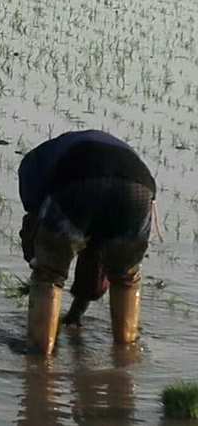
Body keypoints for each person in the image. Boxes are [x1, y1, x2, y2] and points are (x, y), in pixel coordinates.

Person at [18, 130, 156, 355]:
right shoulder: (58, 153)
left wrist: (40, 260)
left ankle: (39, 354)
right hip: (138, 187)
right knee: (125, 277)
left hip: (76, 182)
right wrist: (74, 316)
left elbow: (35, 225)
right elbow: (94, 257)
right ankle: (126, 351)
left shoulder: (32, 168)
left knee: (49, 275)